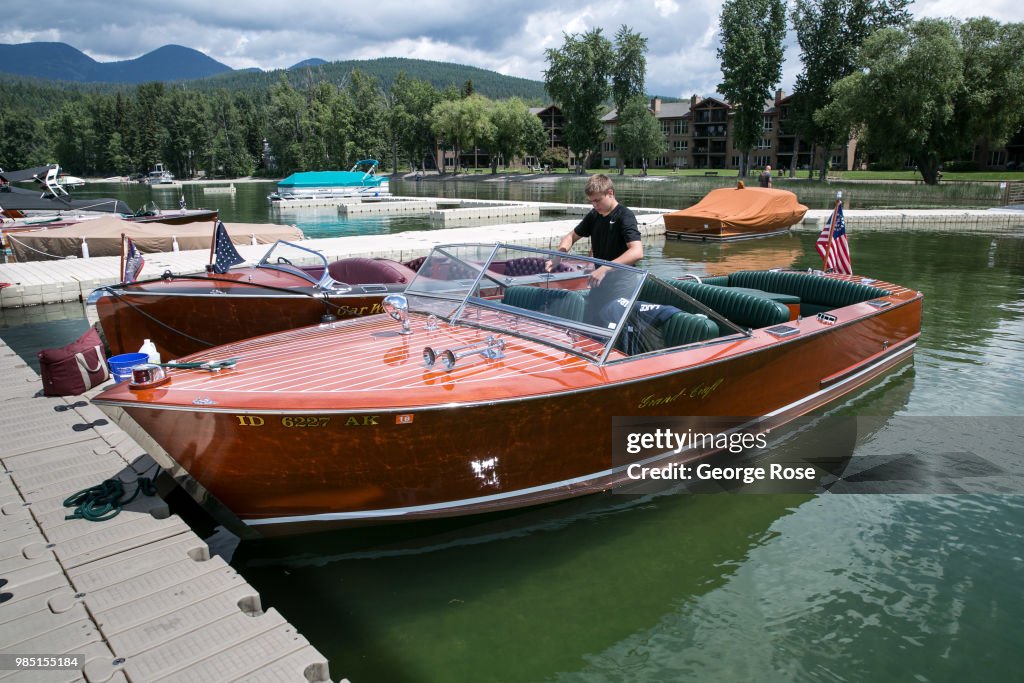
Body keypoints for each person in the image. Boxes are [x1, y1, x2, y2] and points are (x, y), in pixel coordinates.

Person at [547, 174, 643, 325]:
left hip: (621, 284)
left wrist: (604, 268)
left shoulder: (625, 216)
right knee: (589, 324)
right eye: (592, 202)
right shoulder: (594, 215)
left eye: (598, 200)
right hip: (599, 282)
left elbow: (637, 251)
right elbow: (571, 236)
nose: (594, 205)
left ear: (610, 193)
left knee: (613, 328)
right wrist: (559, 256)